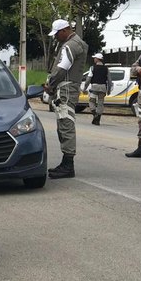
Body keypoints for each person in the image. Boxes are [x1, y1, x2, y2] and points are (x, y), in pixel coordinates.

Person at [43, 19, 88, 179]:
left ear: (64, 30)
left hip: (66, 89)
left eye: (56, 34)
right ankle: (66, 162)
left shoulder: (70, 45)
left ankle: (68, 165)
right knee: (64, 123)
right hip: (69, 87)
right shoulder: (78, 43)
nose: (55, 37)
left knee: (65, 124)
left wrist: (51, 84)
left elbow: (63, 67)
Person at [83, 52, 112, 125]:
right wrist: (108, 90)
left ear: (97, 59)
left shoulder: (92, 68)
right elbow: (109, 80)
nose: (94, 60)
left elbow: (88, 79)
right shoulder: (106, 68)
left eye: (94, 58)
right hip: (103, 87)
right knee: (100, 103)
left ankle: (94, 114)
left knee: (91, 101)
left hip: (94, 87)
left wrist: (85, 88)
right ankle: (98, 118)